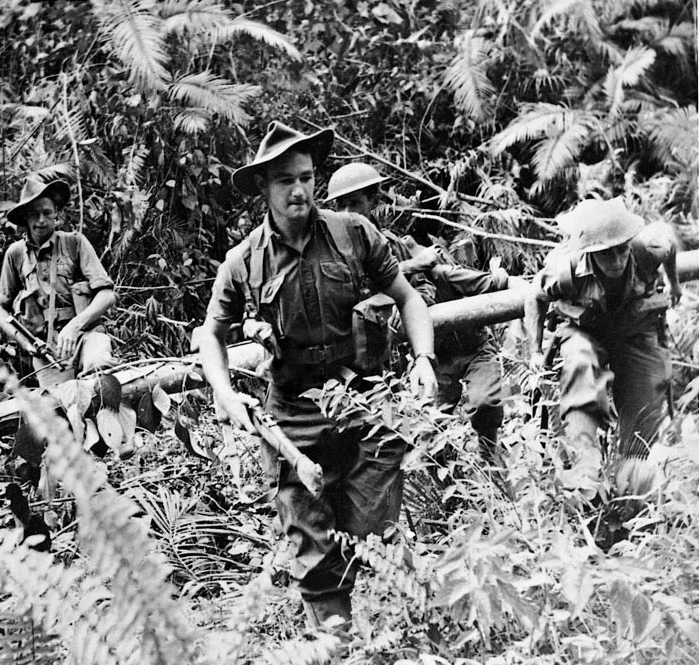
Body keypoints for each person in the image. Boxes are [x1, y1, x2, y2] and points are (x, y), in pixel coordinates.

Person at [199, 122, 438, 632]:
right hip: (293, 413)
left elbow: (409, 298)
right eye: (285, 180)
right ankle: (335, 653)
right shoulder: (244, 263)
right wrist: (224, 392)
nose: (299, 190)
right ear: (264, 187)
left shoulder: (355, 234)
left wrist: (423, 359)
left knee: (373, 531)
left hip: (364, 403)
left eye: (306, 176)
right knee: (310, 543)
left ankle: (411, 626)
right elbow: (210, 335)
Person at [328, 162, 517, 464]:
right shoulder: (337, 254)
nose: (350, 212)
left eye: (356, 203)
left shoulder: (390, 244)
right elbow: (354, 290)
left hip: (462, 344)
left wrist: (418, 283)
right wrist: (410, 271)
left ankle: (490, 462)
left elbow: (422, 287)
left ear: (372, 201)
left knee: (485, 405)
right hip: (416, 358)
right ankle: (453, 492)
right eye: (343, 205)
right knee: (427, 430)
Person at [525, 197, 681, 507]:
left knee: (646, 395)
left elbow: (670, 244)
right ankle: (585, 479)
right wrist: (534, 350)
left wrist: (673, 283)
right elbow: (534, 298)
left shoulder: (648, 248)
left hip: (634, 327)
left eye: (622, 248)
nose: (617, 259)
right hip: (585, 329)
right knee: (579, 365)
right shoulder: (565, 270)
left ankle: (635, 486)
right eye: (606, 253)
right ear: (589, 253)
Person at [0, 173, 117, 386]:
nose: (41, 220)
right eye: (34, 214)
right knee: (60, 408)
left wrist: (75, 325)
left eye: (47, 213)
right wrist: (26, 343)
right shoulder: (15, 254)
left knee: (100, 372)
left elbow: (107, 295)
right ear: (26, 218)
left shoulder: (74, 243)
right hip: (49, 352)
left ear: (57, 215)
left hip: (86, 335)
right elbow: (1, 310)